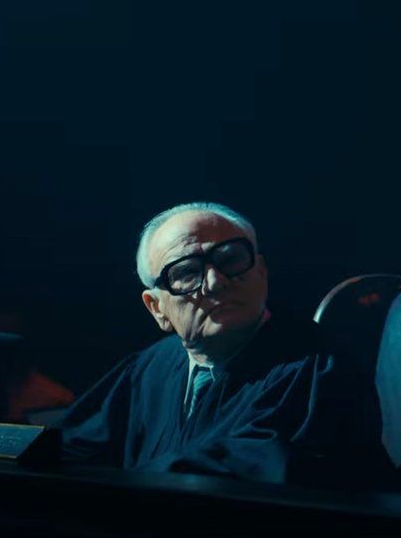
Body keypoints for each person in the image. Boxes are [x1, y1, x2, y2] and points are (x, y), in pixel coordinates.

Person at [56, 201, 378, 486]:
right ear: (157, 308)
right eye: (186, 272)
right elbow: (72, 448)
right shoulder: (148, 370)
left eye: (231, 259)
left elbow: (259, 469)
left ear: (261, 272)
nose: (214, 282)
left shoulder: (319, 366)